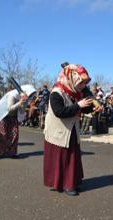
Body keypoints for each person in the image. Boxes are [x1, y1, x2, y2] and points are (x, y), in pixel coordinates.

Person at [43, 64, 93, 196]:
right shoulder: (56, 92)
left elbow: (85, 108)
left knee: (72, 158)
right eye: (81, 83)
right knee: (63, 159)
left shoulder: (76, 93)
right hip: (58, 132)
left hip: (71, 130)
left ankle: (73, 182)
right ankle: (66, 185)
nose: (83, 86)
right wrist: (78, 105)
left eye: (84, 83)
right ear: (72, 79)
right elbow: (59, 112)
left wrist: (91, 105)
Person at [0, 84, 36, 158]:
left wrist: (22, 110)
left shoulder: (24, 97)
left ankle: (12, 152)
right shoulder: (12, 95)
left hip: (13, 116)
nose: (30, 96)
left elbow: (22, 109)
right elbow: (10, 108)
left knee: (14, 134)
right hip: (3, 115)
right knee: (2, 134)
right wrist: (20, 102)